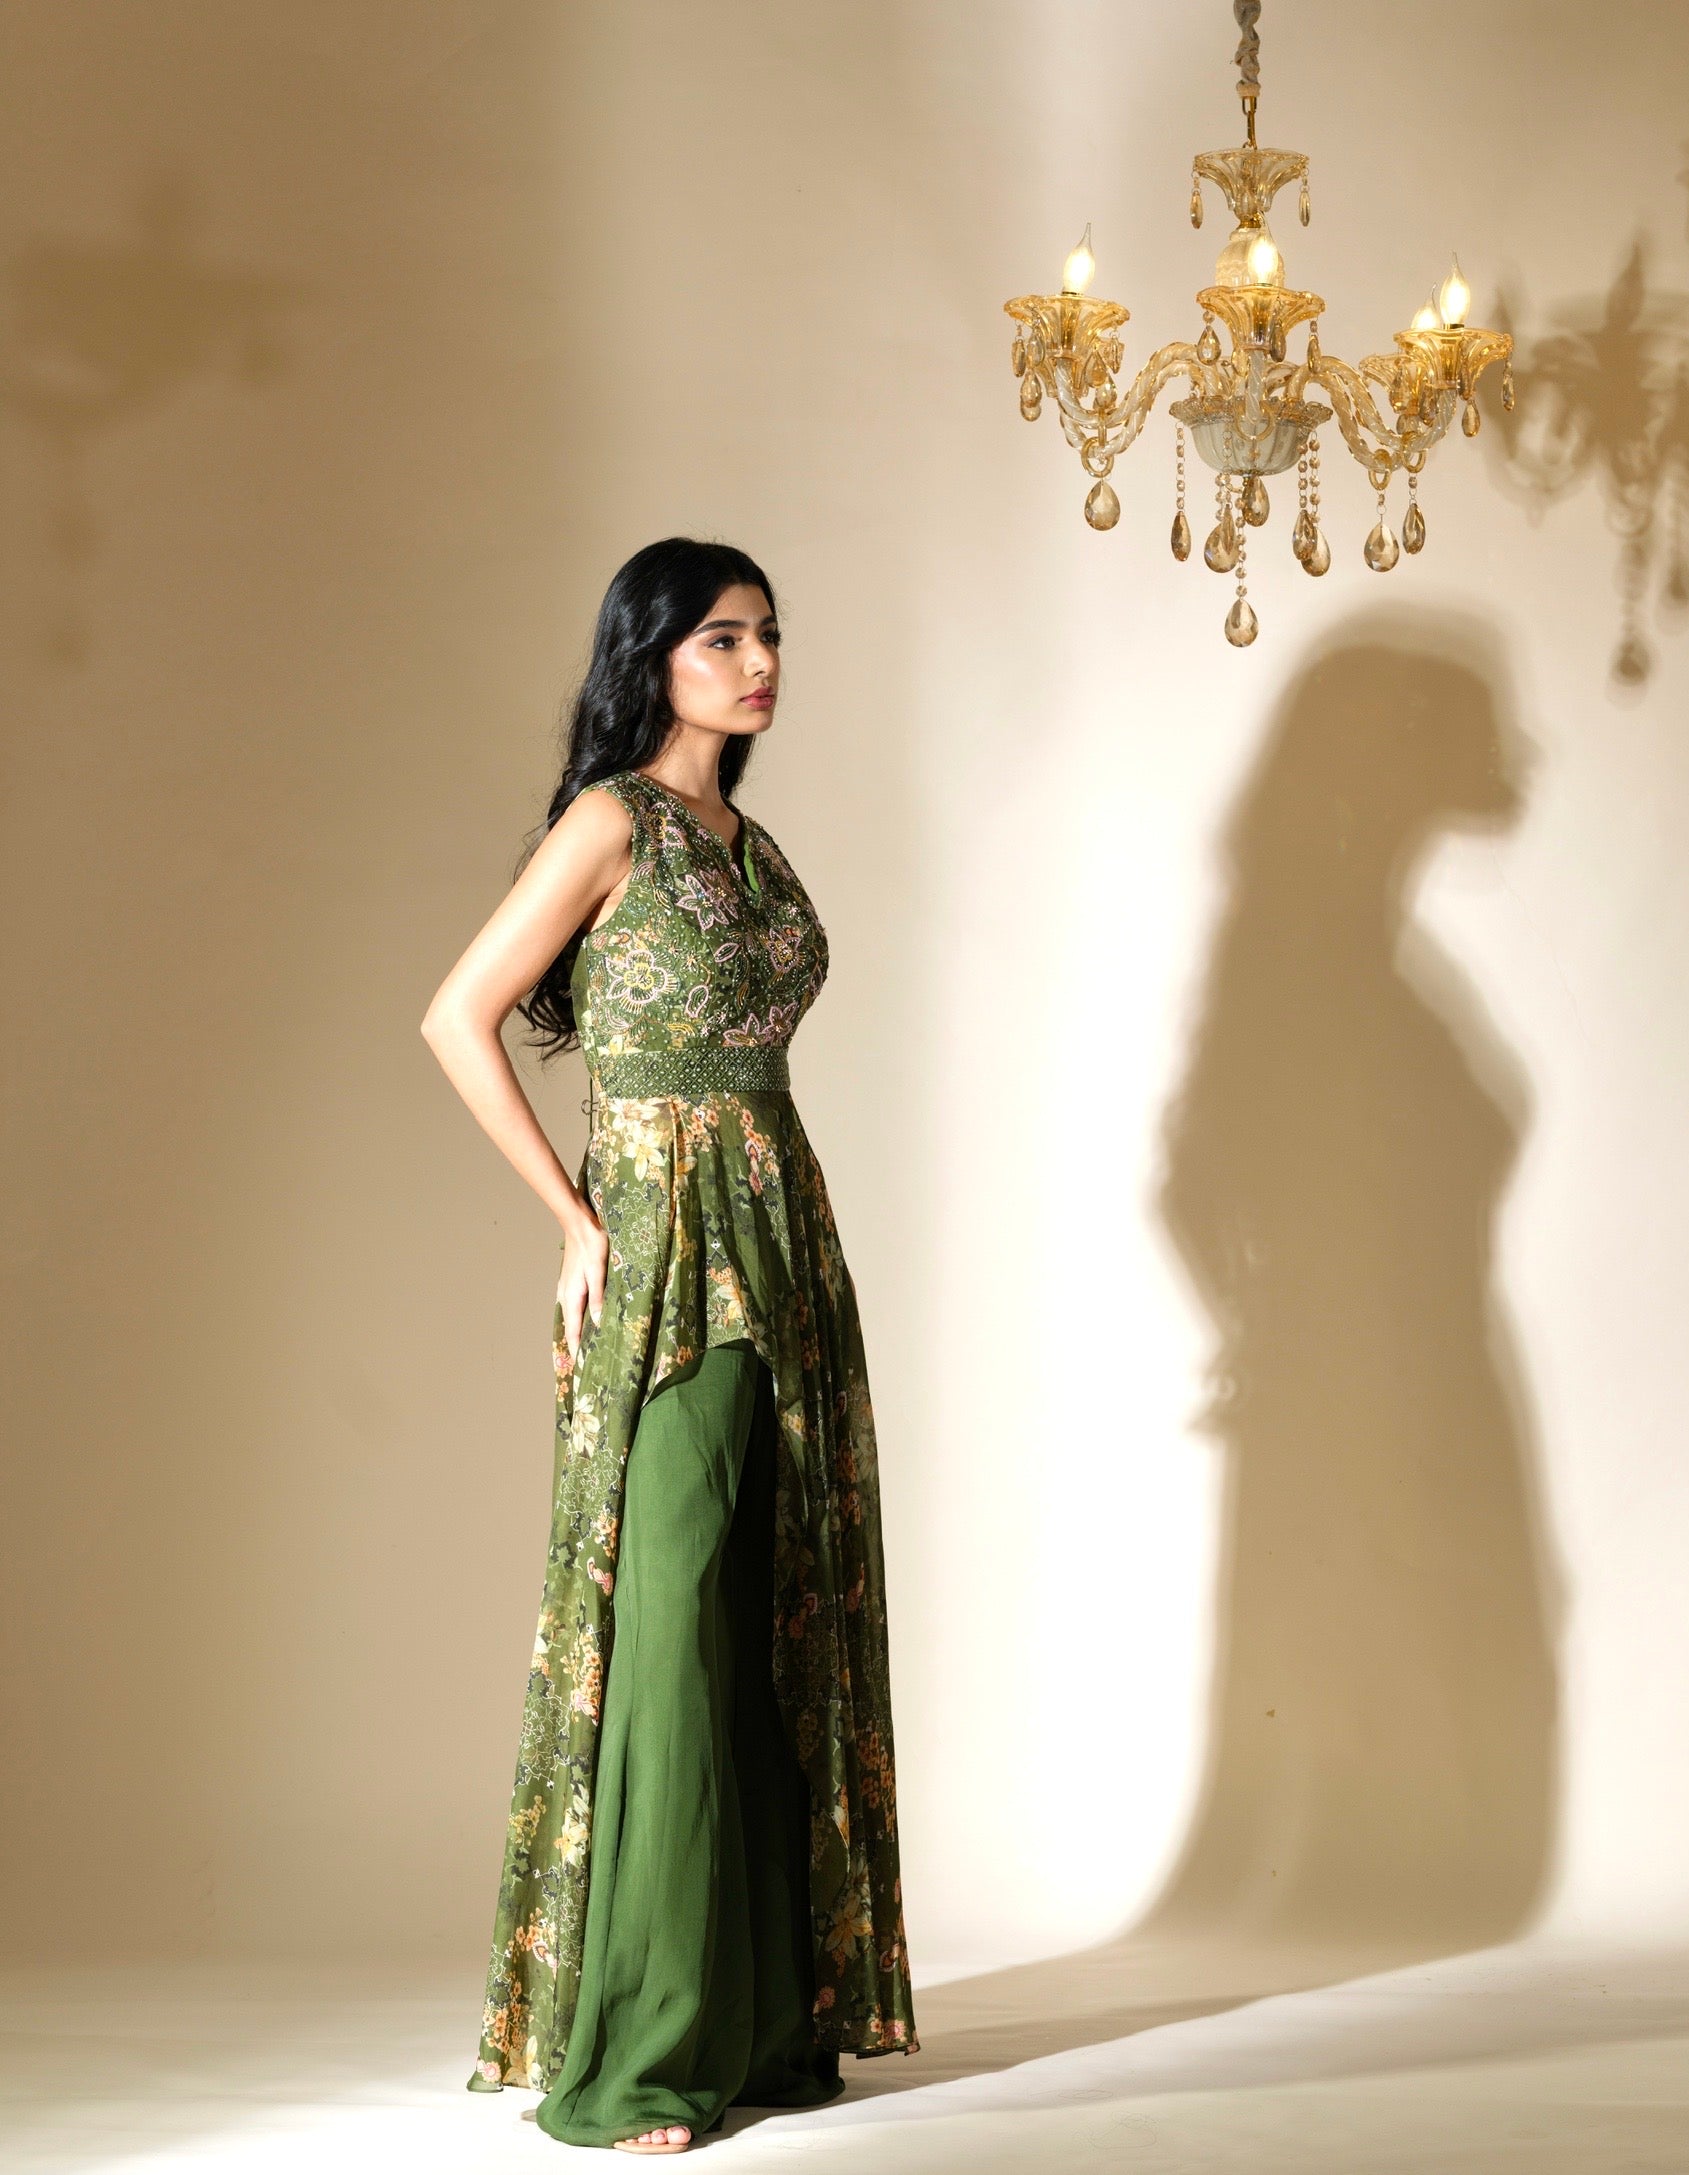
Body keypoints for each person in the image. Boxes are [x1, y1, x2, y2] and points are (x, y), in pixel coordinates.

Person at [420, 537, 918, 2153]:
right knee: (673, 1624)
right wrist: (576, 1224)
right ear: (652, 655)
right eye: (721, 638)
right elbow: (457, 1016)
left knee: (773, 1612)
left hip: (784, 1239)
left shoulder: (747, 842)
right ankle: (640, 2050)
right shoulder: (612, 821)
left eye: (767, 635)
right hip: (669, 1257)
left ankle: (762, 2021)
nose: (758, 663)